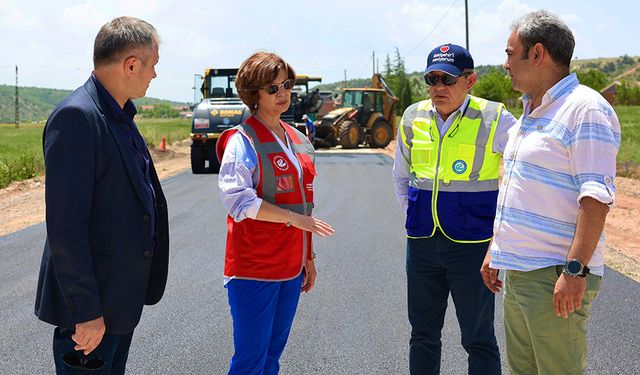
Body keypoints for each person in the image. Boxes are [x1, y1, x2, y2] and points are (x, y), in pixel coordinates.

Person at [481, 10, 621, 375]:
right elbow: (519, 190)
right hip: (520, 272)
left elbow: (596, 198)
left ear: (537, 54)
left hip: (555, 274)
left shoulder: (584, 109)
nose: (505, 64)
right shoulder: (530, 113)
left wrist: (575, 270)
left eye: (511, 53)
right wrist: (496, 249)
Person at [35, 17, 168, 374]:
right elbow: (66, 227)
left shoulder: (119, 116)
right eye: (152, 66)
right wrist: (87, 313)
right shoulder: (77, 118)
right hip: (92, 316)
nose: (154, 75)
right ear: (131, 65)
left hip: (117, 304)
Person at [392, 43, 517, 374]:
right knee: (422, 335)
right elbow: (401, 179)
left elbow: (522, 175)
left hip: (472, 248)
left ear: (471, 80)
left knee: (478, 338)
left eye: (447, 80)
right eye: (431, 79)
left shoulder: (495, 117)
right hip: (421, 244)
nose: (438, 88)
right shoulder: (412, 116)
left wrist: (498, 239)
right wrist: (416, 216)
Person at [216, 51, 335, 375]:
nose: (283, 94)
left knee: (271, 358)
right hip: (254, 268)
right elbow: (237, 200)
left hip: (290, 265)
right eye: (273, 88)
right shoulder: (242, 141)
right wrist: (294, 221)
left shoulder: (295, 137)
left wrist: (307, 256)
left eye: (287, 85)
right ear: (253, 94)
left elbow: (303, 201)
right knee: (250, 360)